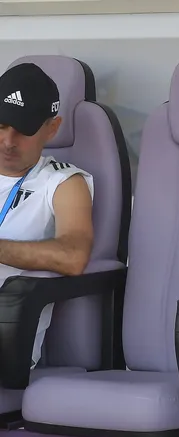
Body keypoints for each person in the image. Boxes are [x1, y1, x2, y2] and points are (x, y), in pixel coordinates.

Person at [0, 62, 95, 367]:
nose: (8, 141)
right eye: (1, 125)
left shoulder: (63, 182)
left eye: (23, 130)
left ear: (51, 128)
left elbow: (73, 256)